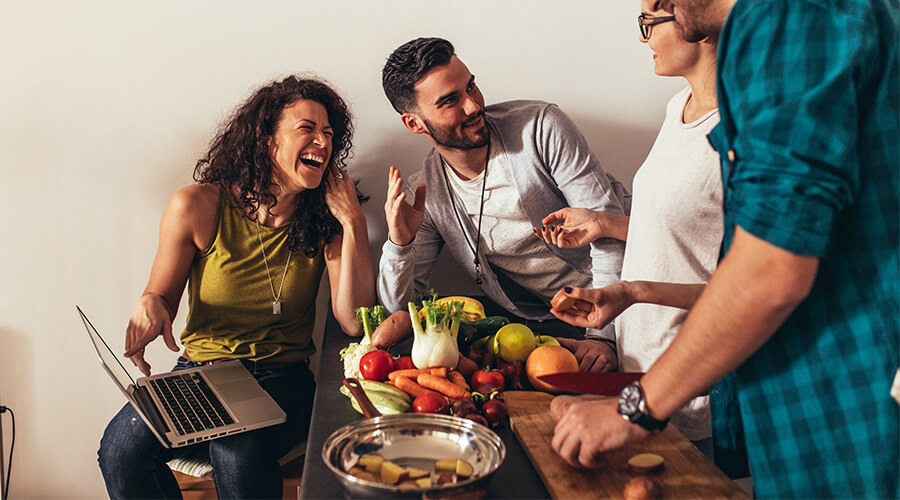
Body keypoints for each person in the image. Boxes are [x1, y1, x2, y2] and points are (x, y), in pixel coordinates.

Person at [550, 0, 898, 498]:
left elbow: (768, 271)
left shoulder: (793, 18)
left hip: (841, 396)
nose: (651, 8)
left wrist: (636, 407)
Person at [97, 76, 375, 498]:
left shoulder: (327, 222)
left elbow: (354, 323)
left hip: (281, 378)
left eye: (329, 133)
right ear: (266, 139)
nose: (322, 140)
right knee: (120, 449)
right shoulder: (197, 206)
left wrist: (353, 222)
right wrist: (151, 305)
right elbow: (161, 296)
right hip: (200, 374)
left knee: (236, 451)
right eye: (307, 128)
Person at [537, 0, 731, 458]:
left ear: (695, 21)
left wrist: (633, 290)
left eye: (648, 24)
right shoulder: (677, 107)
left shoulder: (742, 133)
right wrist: (604, 223)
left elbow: (749, 284)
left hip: (696, 383)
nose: (642, 38)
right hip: (642, 362)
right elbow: (689, 228)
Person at [378, 37, 631, 371]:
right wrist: (400, 243)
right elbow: (401, 312)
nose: (473, 106)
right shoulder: (428, 195)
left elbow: (606, 228)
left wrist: (602, 335)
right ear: (414, 123)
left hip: (636, 290)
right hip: (553, 325)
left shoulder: (540, 128)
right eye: (451, 100)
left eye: (471, 87)